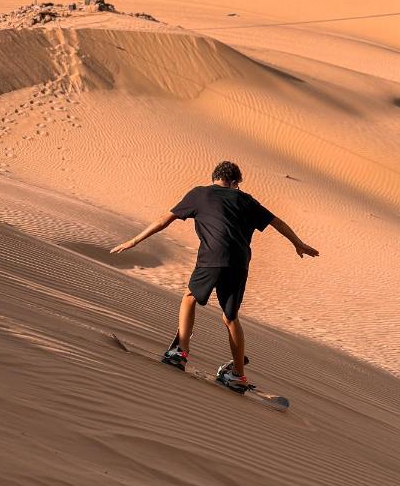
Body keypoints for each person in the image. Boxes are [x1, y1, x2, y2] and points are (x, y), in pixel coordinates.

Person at [110, 161, 319, 391]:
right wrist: (298, 244)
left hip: (212, 258)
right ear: (234, 182)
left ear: (215, 178)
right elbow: (277, 222)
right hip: (240, 264)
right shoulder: (246, 200)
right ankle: (238, 375)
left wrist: (134, 240)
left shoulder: (200, 194)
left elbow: (164, 220)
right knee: (230, 318)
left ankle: (180, 352)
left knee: (189, 298)